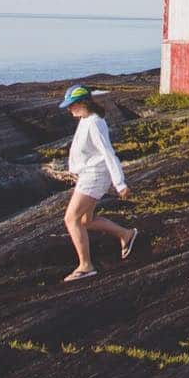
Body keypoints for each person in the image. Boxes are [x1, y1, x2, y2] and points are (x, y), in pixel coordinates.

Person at [58, 84, 137, 283]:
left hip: (95, 176)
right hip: (88, 176)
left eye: (72, 105)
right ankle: (126, 234)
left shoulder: (94, 122)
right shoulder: (85, 120)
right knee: (85, 220)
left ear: (83, 102)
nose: (69, 109)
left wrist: (120, 183)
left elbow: (107, 152)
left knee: (71, 219)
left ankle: (86, 266)